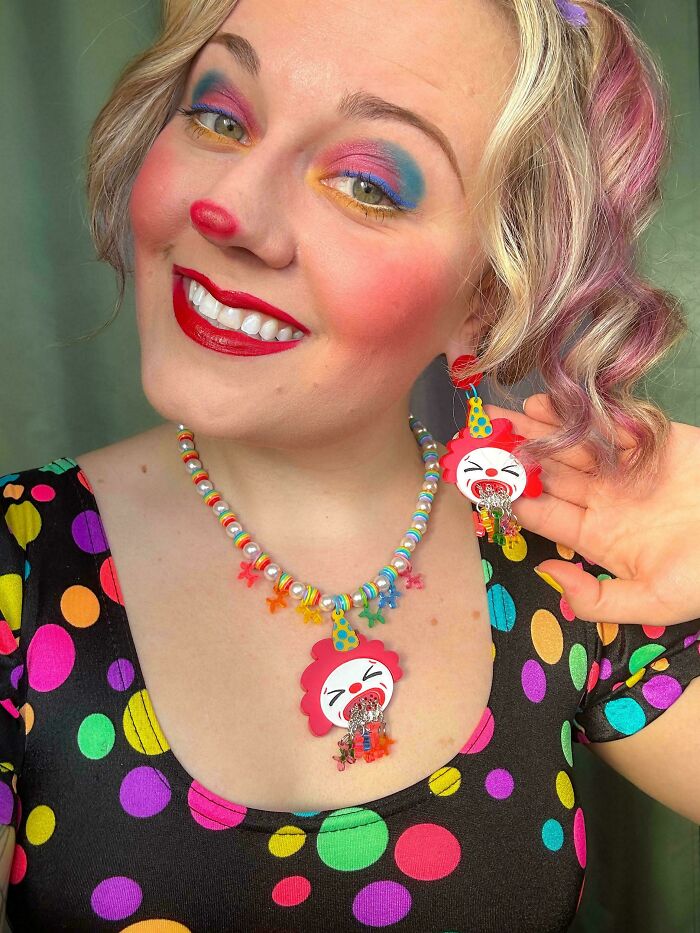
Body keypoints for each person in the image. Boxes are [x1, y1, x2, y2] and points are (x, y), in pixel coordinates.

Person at [1, 0, 699, 929]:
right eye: (218, 116)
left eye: (368, 182)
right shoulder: (20, 567)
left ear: (487, 300)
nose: (228, 207)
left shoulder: (556, 551)